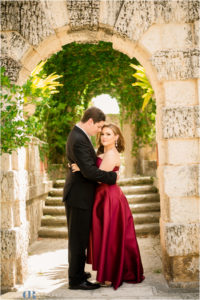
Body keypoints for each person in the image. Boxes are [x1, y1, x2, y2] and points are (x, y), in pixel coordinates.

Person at [71, 123, 145, 289]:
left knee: (110, 236)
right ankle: (109, 272)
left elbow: (98, 178)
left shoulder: (111, 154)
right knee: (106, 234)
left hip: (109, 198)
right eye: (103, 134)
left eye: (109, 134)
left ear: (116, 137)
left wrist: (81, 168)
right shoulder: (103, 152)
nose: (104, 137)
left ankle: (110, 276)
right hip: (102, 196)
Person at [63, 107, 118, 290]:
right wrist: (113, 178)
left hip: (80, 194)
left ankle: (78, 272)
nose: (99, 131)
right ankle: (76, 280)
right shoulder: (79, 138)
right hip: (79, 196)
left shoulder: (79, 135)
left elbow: (85, 165)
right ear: (90, 122)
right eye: (99, 127)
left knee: (80, 238)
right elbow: (89, 171)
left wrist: (83, 168)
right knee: (78, 239)